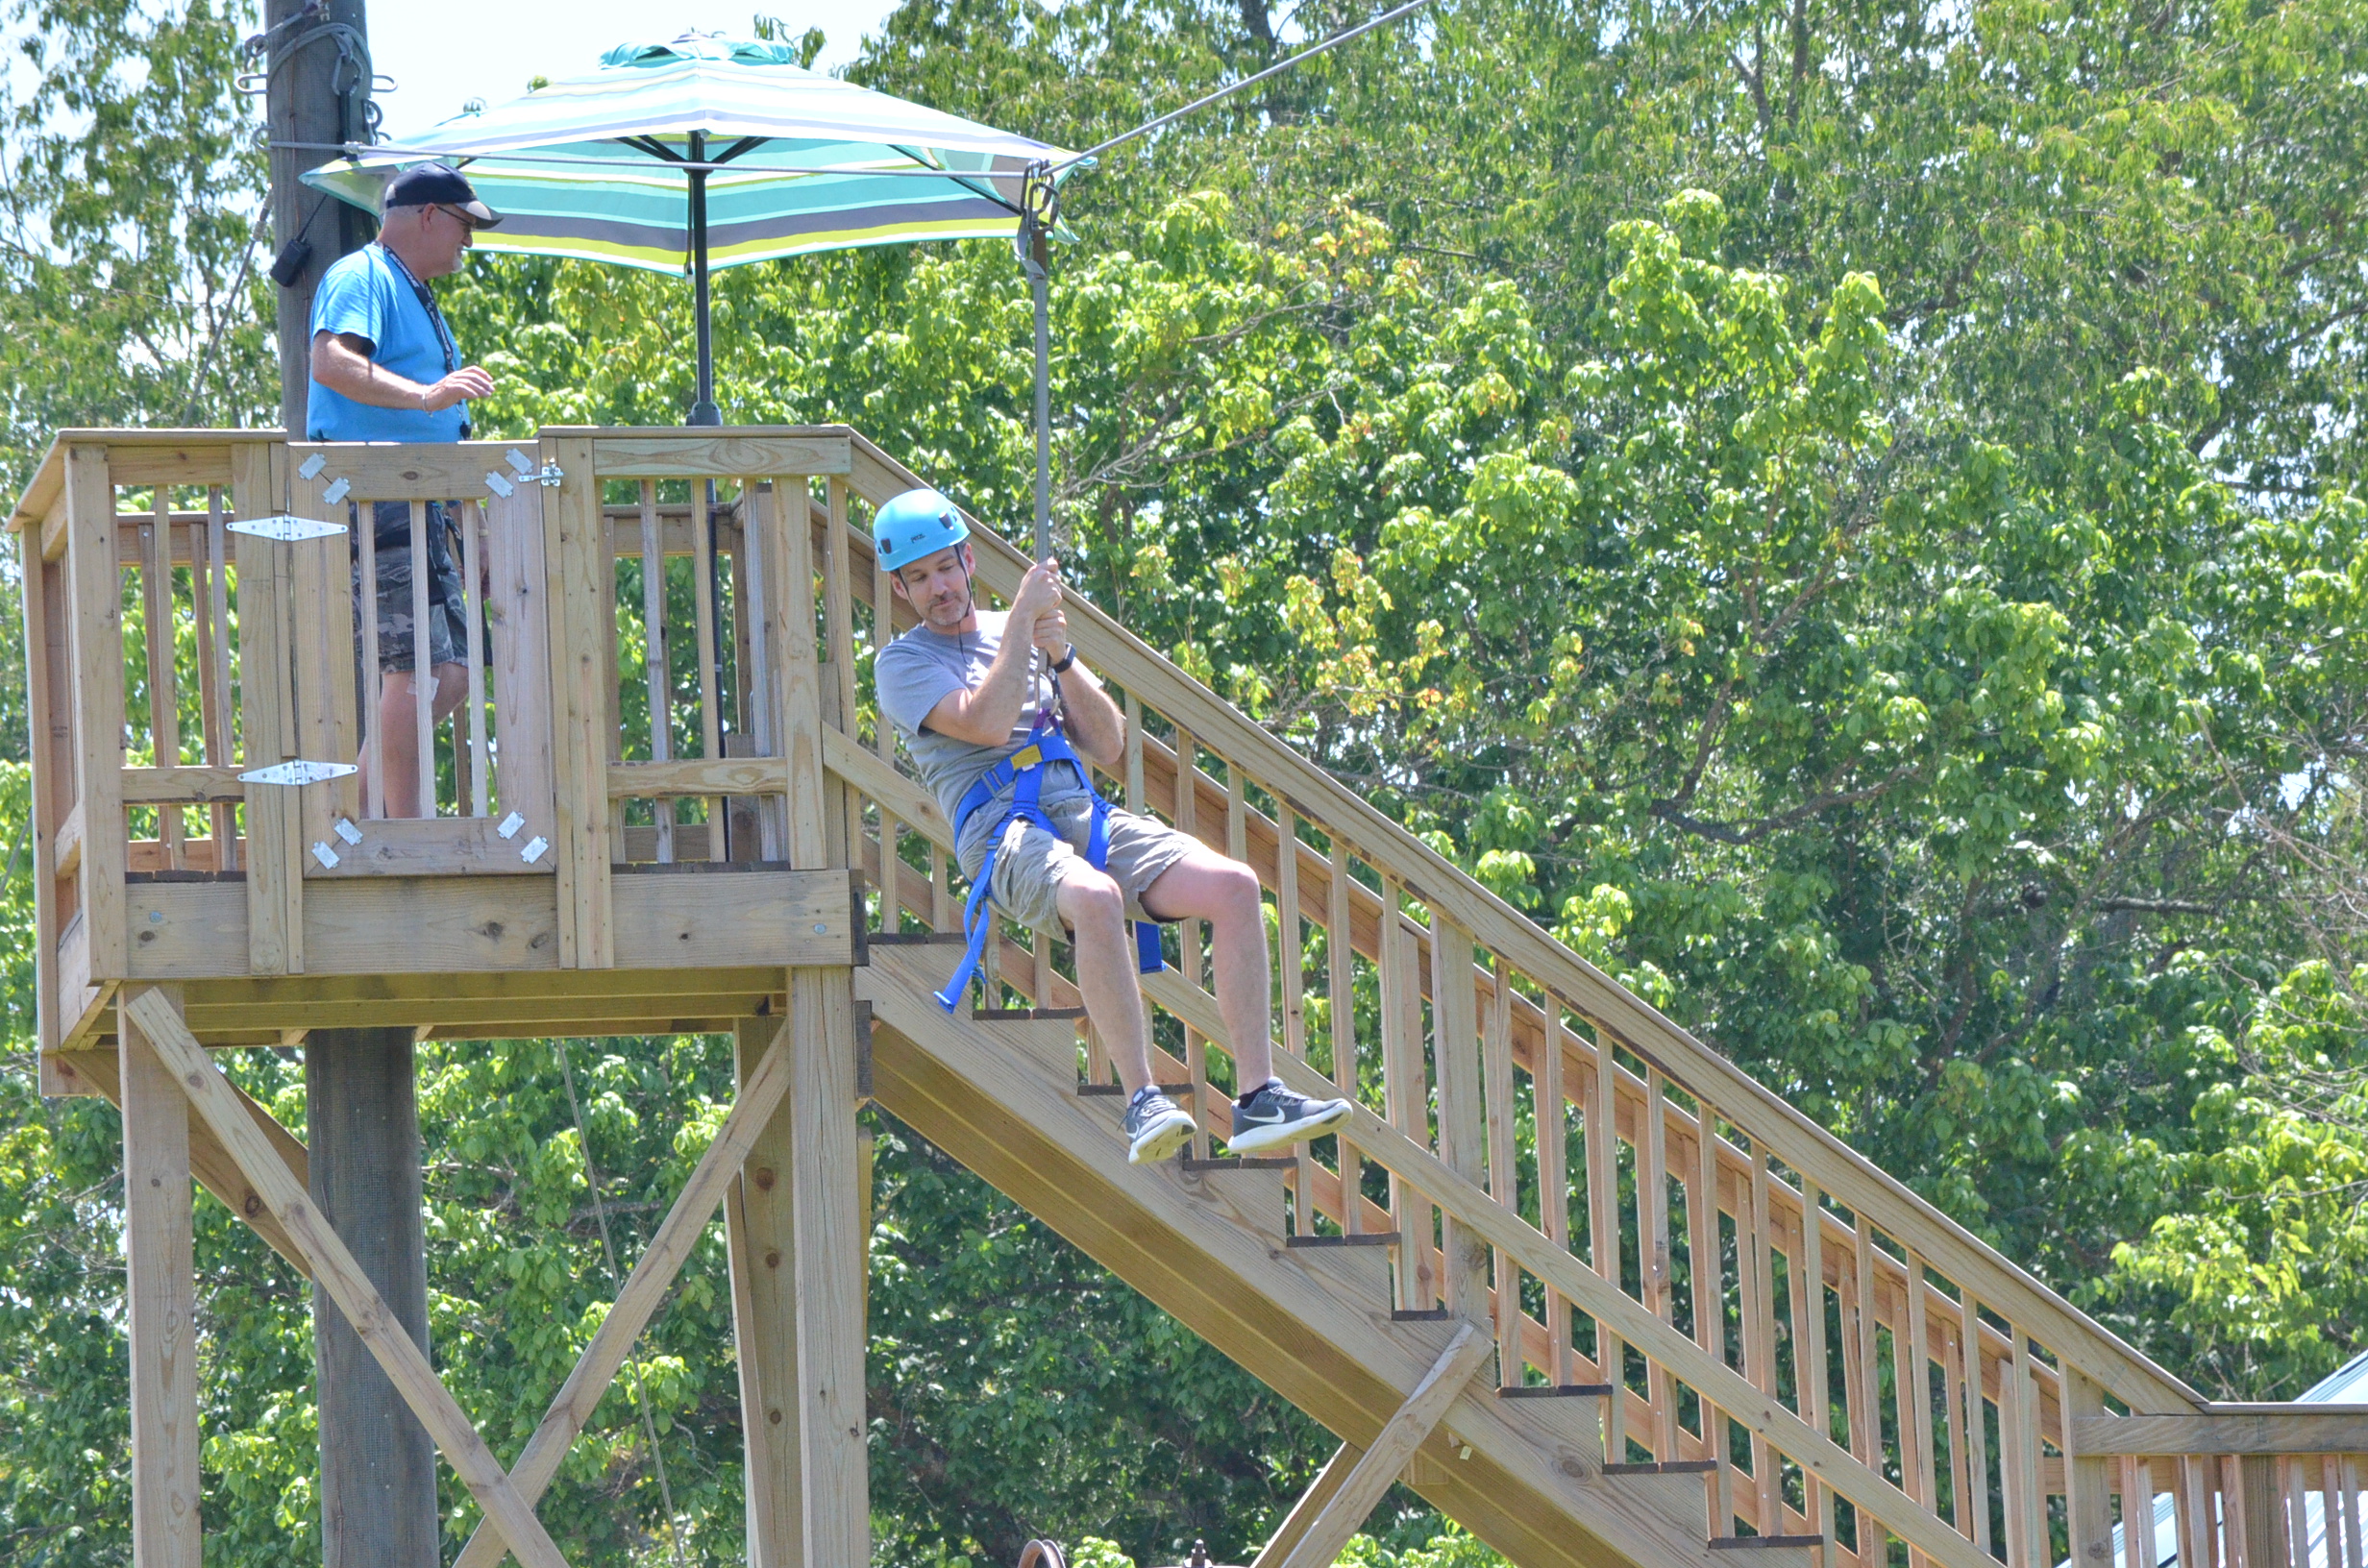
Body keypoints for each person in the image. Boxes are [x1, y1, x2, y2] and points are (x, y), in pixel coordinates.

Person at [872, 488, 1355, 1165]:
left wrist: (1063, 658)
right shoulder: (902, 666)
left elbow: (1109, 743)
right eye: (919, 579)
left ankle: (1257, 1097)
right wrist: (1020, 625)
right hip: (1001, 831)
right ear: (901, 588)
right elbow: (982, 722)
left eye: (945, 568)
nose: (938, 588)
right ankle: (1143, 1101)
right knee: (1093, 896)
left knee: (1236, 885)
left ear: (969, 560)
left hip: (1080, 809)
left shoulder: (1027, 635)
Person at [304, 162, 503, 818]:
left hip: (424, 503)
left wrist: (472, 529)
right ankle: (404, 830)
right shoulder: (362, 275)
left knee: (453, 674)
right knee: (413, 672)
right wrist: (425, 396)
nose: (468, 243)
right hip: (379, 497)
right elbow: (331, 361)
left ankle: (360, 816)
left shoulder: (412, 289)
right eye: (464, 225)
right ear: (427, 215)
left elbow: (449, 424)